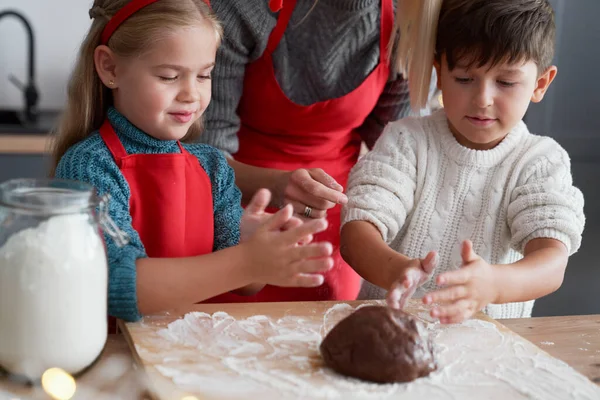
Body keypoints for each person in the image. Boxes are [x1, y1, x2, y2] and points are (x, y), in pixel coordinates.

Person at [51, 0, 334, 323]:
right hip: (114, 357)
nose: (191, 94)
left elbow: (246, 285)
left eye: (204, 75)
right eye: (170, 76)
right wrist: (246, 261)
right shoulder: (90, 166)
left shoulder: (212, 166)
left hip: (186, 354)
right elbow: (117, 283)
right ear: (110, 68)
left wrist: (263, 246)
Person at [340, 0, 585, 323]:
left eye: (506, 82)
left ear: (540, 83)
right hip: (394, 331)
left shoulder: (539, 162)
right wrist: (396, 270)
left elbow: (551, 262)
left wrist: (494, 286)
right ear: (438, 73)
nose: (482, 99)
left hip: (494, 350)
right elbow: (358, 230)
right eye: (465, 79)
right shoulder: (406, 141)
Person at [201, 0, 419, 302]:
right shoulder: (247, 8)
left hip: (334, 228)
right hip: (231, 209)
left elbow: (396, 157)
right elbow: (201, 158)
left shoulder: (408, 25)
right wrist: (278, 187)